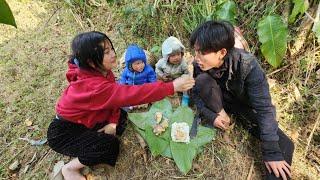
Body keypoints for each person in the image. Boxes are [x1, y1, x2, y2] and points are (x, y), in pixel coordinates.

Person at [47, 31, 195, 180]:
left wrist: (112, 122)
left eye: (111, 48)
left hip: (88, 118)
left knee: (121, 118)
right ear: (91, 62)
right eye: (106, 52)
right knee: (109, 146)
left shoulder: (100, 71)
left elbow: (114, 99)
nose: (113, 54)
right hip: (64, 132)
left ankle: (97, 133)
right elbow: (131, 94)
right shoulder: (93, 87)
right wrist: (172, 86)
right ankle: (70, 168)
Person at [190, 21, 294, 180]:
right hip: (221, 102)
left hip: (243, 105)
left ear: (222, 52)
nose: (196, 58)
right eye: (195, 52)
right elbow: (196, 94)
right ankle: (223, 112)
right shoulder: (200, 64)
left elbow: (264, 108)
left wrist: (271, 152)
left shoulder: (248, 65)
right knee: (202, 81)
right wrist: (213, 116)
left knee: (285, 145)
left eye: (201, 53)